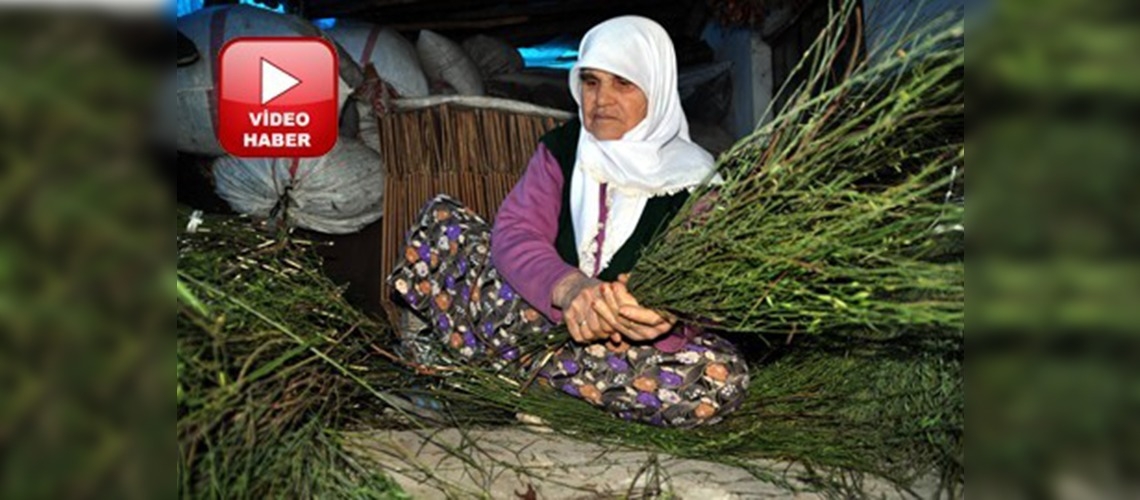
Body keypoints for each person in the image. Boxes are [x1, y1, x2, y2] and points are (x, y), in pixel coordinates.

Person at [388, 16, 748, 427]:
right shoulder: (563, 150)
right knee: (441, 224)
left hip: (624, 352)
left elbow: (707, 286)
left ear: (657, 87)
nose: (602, 100)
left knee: (722, 376)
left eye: (623, 84)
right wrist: (571, 287)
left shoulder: (698, 185)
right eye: (591, 82)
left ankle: (507, 382)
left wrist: (659, 314)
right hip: (535, 318)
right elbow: (517, 232)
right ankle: (550, 389)